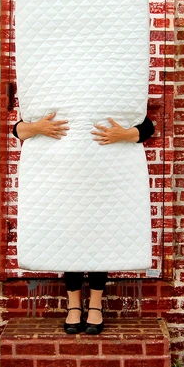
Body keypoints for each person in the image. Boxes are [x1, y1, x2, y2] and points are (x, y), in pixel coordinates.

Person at [12, 113, 155, 335]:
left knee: (99, 235)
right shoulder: (54, 101)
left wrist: (125, 134)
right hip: (66, 178)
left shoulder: (114, 101)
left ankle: (95, 306)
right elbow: (18, 130)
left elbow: (147, 128)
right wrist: (37, 128)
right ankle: (74, 306)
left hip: (103, 178)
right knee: (72, 237)